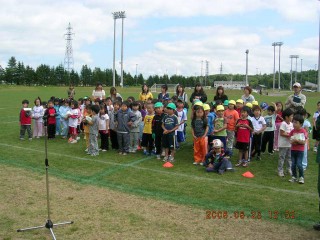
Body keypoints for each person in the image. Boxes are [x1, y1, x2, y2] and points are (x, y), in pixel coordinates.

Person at [288, 114, 308, 184]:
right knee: (293, 164)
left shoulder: (303, 131)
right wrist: (293, 141)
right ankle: (294, 176)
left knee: (299, 164)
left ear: (301, 124)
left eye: (296, 122)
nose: (294, 124)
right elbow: (290, 140)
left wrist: (296, 141)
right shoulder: (292, 131)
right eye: (293, 122)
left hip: (300, 151)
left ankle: (301, 177)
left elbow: (303, 142)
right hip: (293, 150)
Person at [278, 108, 294, 177]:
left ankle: (289, 169)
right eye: (291, 116)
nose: (292, 117)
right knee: (282, 158)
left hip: (289, 144)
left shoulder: (291, 124)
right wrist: (289, 135)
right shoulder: (283, 124)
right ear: (286, 117)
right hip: (283, 144)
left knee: (289, 158)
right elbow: (282, 133)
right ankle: (280, 170)